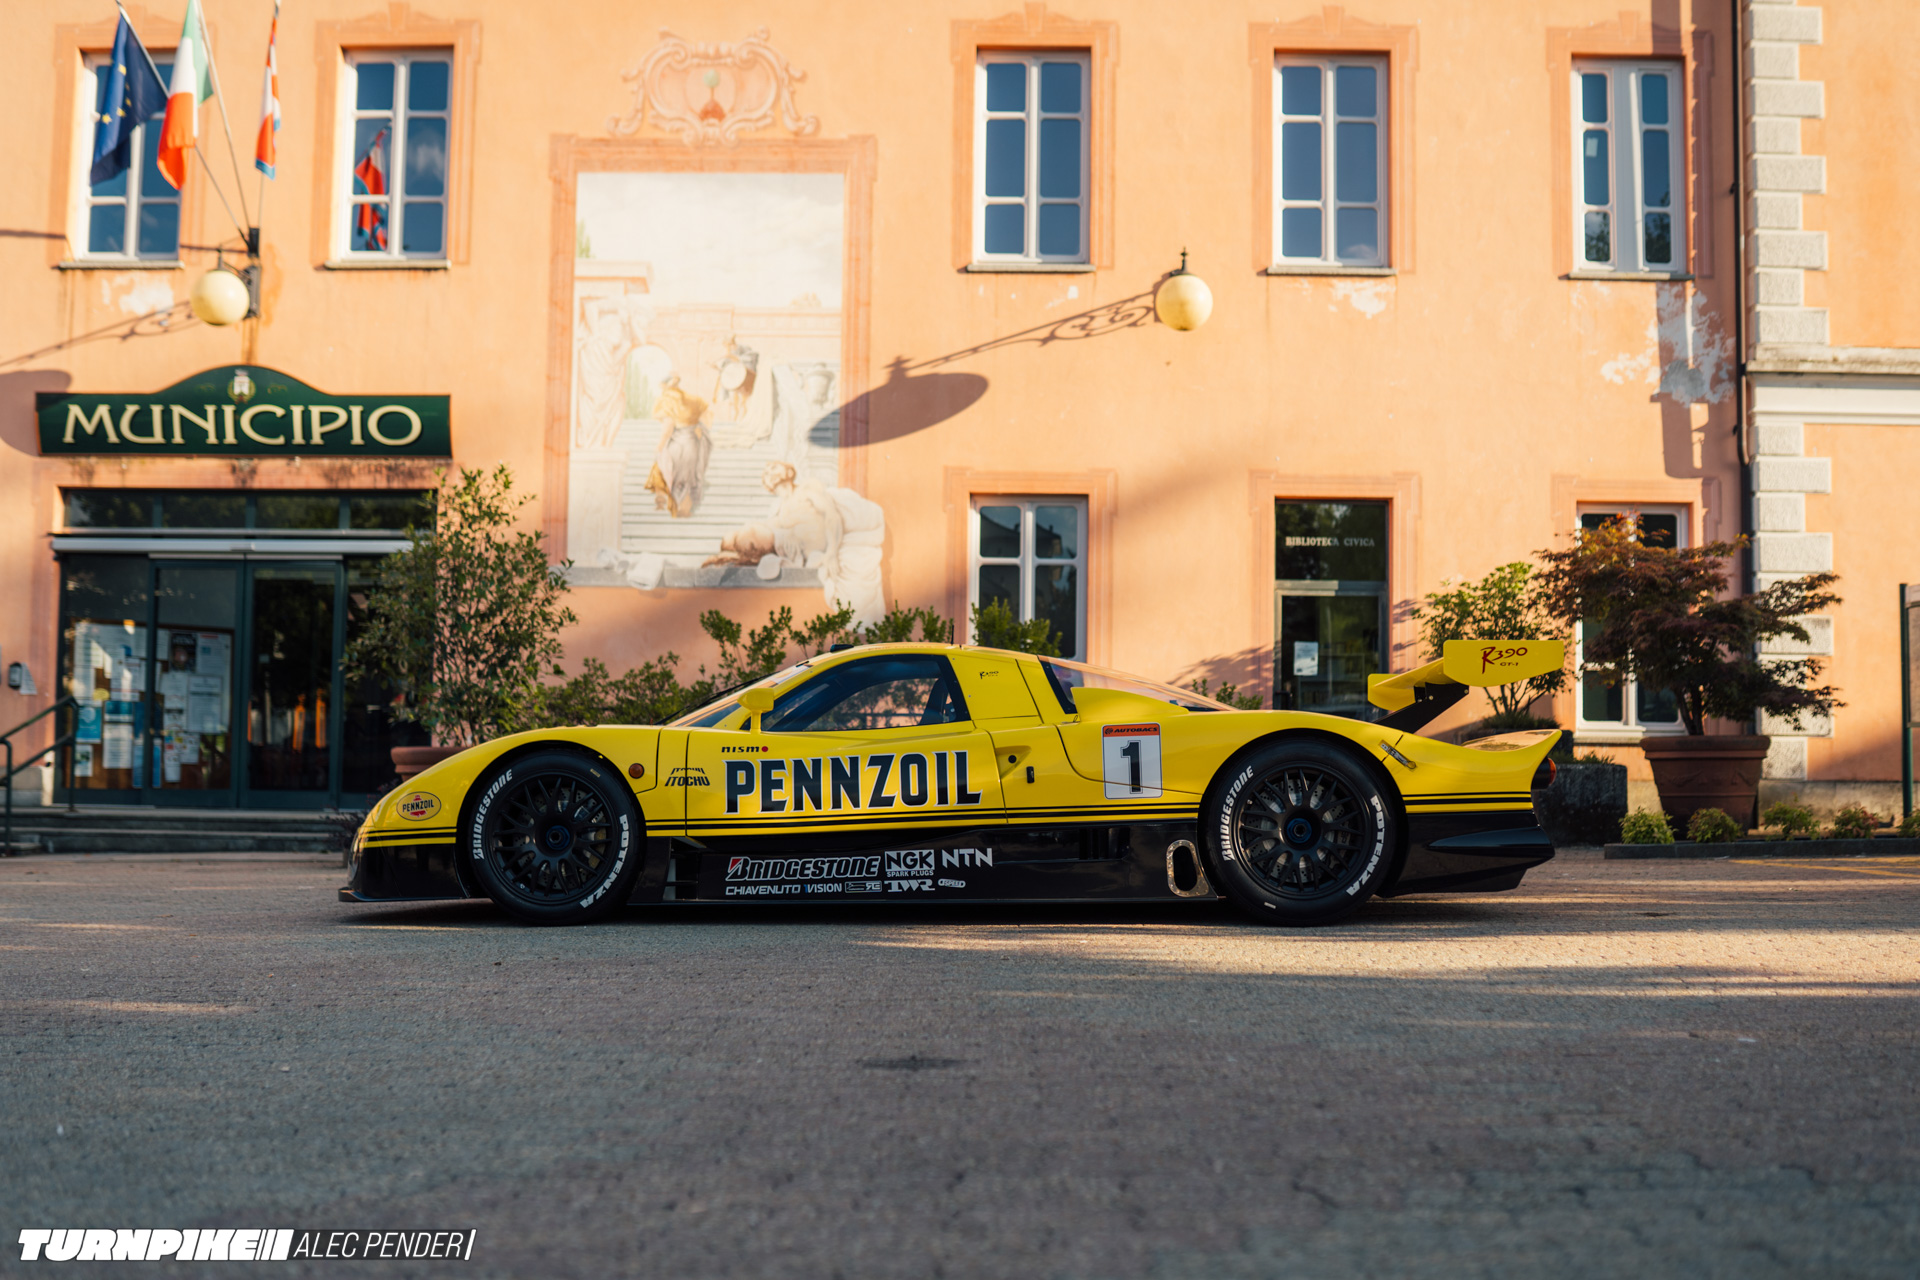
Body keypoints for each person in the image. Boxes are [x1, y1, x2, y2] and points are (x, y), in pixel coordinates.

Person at [643, 375, 712, 518]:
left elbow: (668, 427)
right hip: (692, 443)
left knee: (662, 471)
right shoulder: (693, 400)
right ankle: (684, 509)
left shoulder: (667, 400)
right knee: (688, 479)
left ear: (664, 386)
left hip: (676, 445)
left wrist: (660, 445)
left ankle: (663, 502)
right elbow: (707, 417)